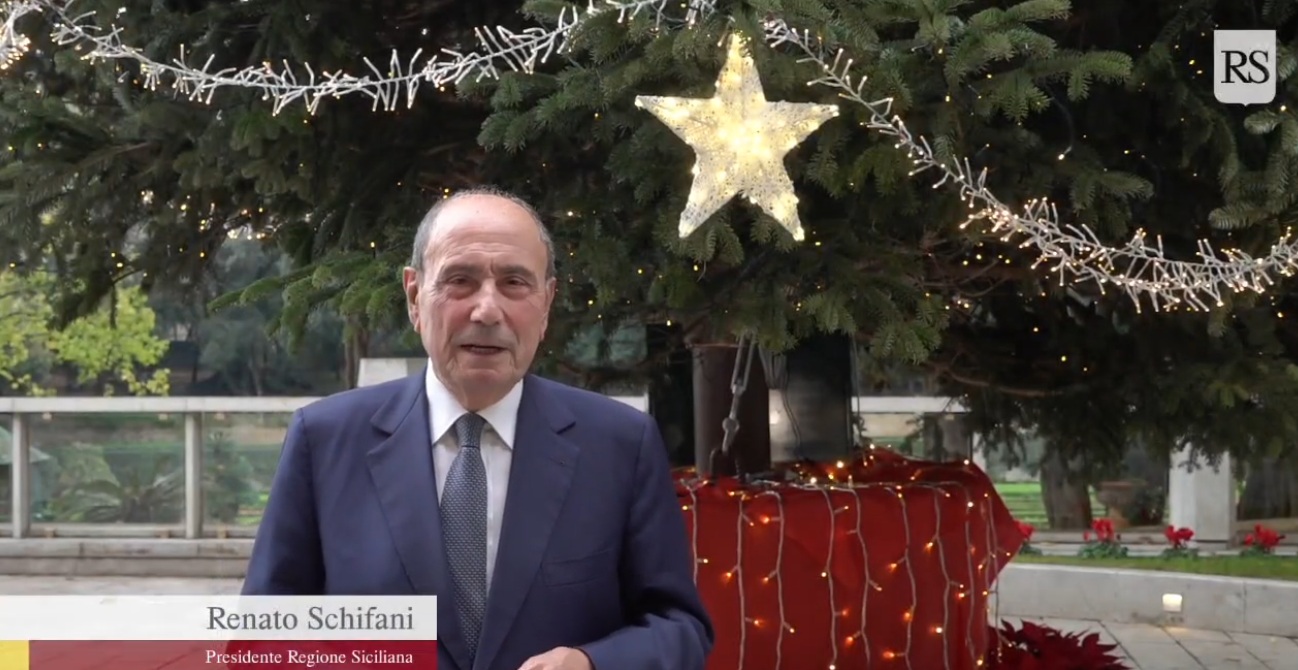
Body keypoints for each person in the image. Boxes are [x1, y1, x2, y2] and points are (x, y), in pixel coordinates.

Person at [242, 187, 714, 670]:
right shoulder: (324, 440)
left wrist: (591, 664)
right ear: (414, 297)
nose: (487, 310)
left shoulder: (620, 445)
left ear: (547, 303)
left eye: (514, 282)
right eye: (460, 280)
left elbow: (679, 628)